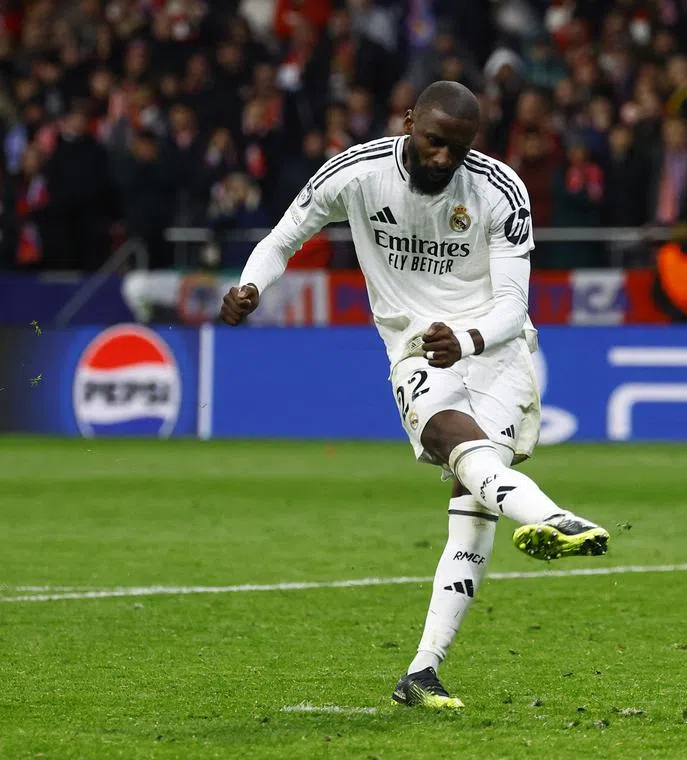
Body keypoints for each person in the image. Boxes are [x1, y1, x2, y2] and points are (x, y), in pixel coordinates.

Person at [218, 81, 610, 710]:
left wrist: (471, 337)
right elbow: (285, 236)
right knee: (452, 438)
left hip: (496, 350)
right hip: (415, 348)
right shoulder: (357, 172)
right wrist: (250, 286)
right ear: (408, 122)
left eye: (457, 148)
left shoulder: (500, 190)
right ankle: (546, 516)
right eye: (432, 141)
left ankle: (422, 673)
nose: (442, 159)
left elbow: (514, 304)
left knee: (474, 500)